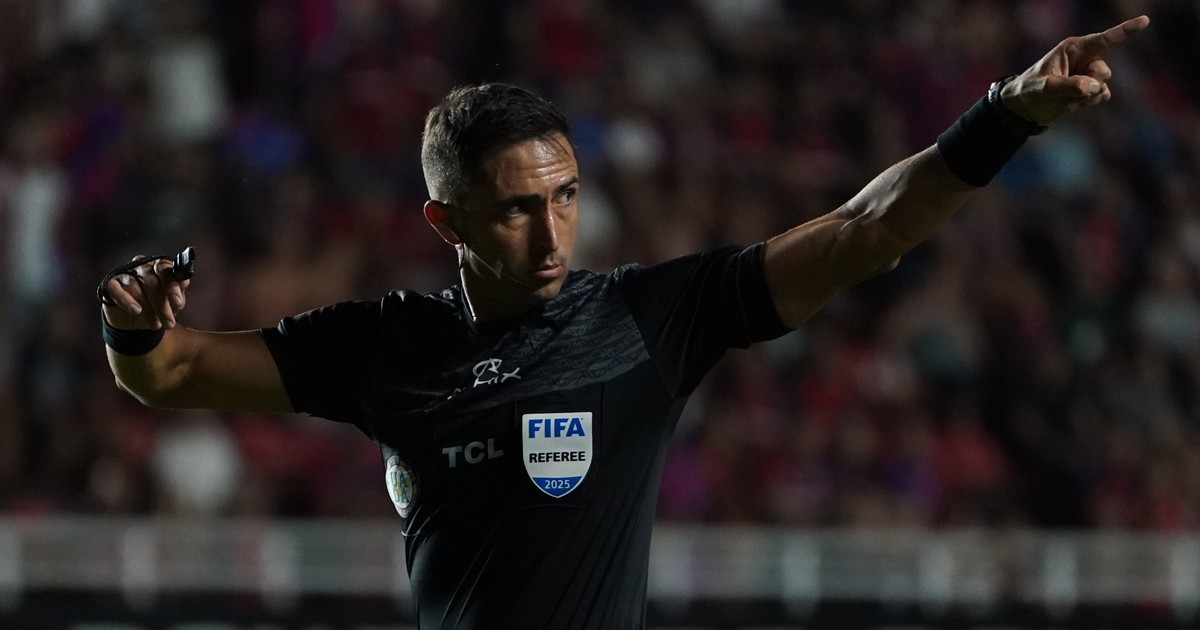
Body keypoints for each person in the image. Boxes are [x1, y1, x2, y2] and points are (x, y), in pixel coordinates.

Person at [99, 15, 1150, 629]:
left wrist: (1005, 112)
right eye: (517, 208)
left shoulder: (648, 319)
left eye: (564, 195)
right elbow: (172, 373)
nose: (552, 229)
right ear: (446, 221)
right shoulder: (385, 347)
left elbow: (862, 233)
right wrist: (135, 329)